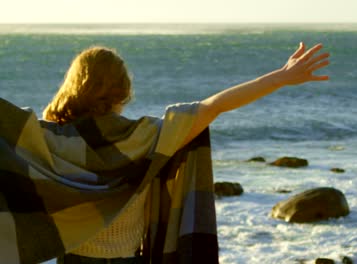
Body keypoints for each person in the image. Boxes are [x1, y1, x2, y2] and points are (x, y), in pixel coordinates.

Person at [42, 42, 330, 263]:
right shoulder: (145, 136)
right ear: (123, 90)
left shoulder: (53, 138)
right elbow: (215, 105)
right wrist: (281, 77)